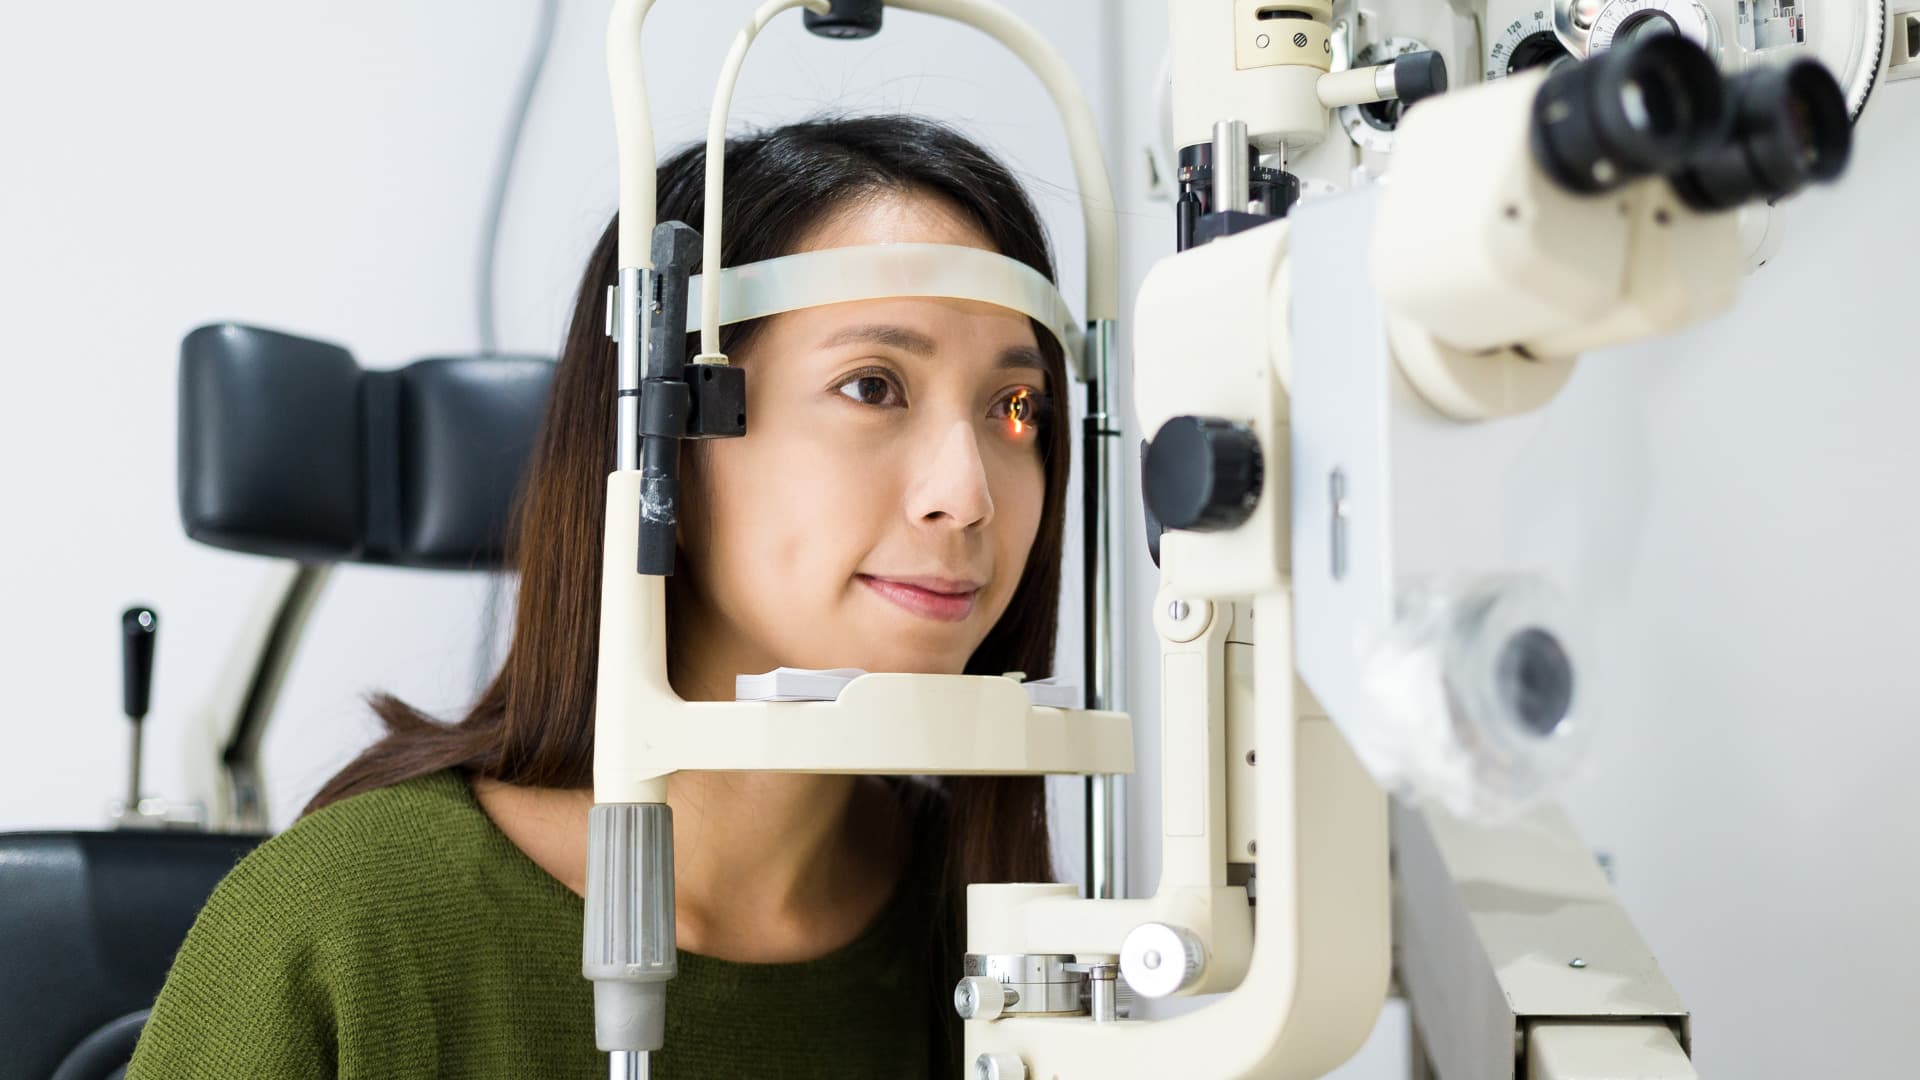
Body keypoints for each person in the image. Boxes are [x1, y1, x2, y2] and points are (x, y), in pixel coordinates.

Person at [127, 114, 1072, 1079]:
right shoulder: (346, 930)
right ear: (667, 439)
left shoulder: (992, 937)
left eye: (1014, 409)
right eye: (873, 386)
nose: (966, 495)